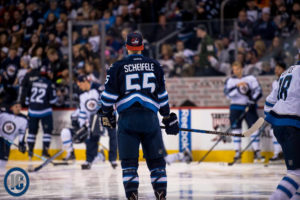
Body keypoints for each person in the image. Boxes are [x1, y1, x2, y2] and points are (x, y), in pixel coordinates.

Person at [98, 32, 179, 200]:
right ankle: (161, 196)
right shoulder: (155, 65)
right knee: (157, 164)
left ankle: (132, 196)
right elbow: (162, 96)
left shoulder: (117, 67)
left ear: (126, 47)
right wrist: (167, 116)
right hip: (150, 121)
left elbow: (107, 99)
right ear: (142, 46)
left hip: (127, 121)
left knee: (129, 165)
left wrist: (106, 113)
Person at [264, 56, 300, 200]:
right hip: (293, 126)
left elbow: (269, 102)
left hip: (283, 125)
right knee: (296, 174)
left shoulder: (287, 72)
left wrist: (274, 122)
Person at [74, 76, 117, 170]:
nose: (79, 87)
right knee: (92, 136)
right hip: (94, 118)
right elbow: (83, 110)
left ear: (85, 81)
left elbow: (105, 100)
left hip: (107, 114)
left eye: (80, 84)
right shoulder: (81, 94)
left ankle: (113, 159)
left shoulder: (98, 87)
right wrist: (84, 125)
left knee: (112, 135)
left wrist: (99, 114)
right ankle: (89, 160)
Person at [224, 61, 263, 162]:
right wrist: (237, 87)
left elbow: (259, 91)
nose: (235, 71)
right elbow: (228, 95)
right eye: (234, 69)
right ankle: (237, 152)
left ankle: (257, 151)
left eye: (237, 69)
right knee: (236, 129)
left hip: (249, 107)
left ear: (241, 68)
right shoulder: (230, 80)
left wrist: (252, 100)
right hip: (235, 107)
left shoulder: (251, 78)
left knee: (254, 128)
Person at [26, 66, 57, 159]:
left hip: (32, 111)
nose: (51, 75)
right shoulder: (49, 84)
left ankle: (30, 152)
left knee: (31, 132)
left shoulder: (32, 82)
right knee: (47, 132)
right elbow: (53, 101)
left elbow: (27, 99)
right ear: (47, 74)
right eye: (50, 73)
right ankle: (45, 151)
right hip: (45, 111)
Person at [265, 62, 286, 162]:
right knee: (274, 131)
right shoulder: (275, 82)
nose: (276, 70)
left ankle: (287, 154)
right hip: (278, 110)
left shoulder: (289, 79)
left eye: (278, 68)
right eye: (275, 68)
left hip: (287, 109)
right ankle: (278, 153)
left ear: (283, 69)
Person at [0, 102, 27, 170]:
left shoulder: (24, 119)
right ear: (12, 107)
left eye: (19, 107)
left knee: (3, 162)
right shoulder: (3, 114)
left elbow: (22, 133)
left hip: (7, 143)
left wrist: (21, 143)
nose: (18, 108)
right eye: (16, 106)